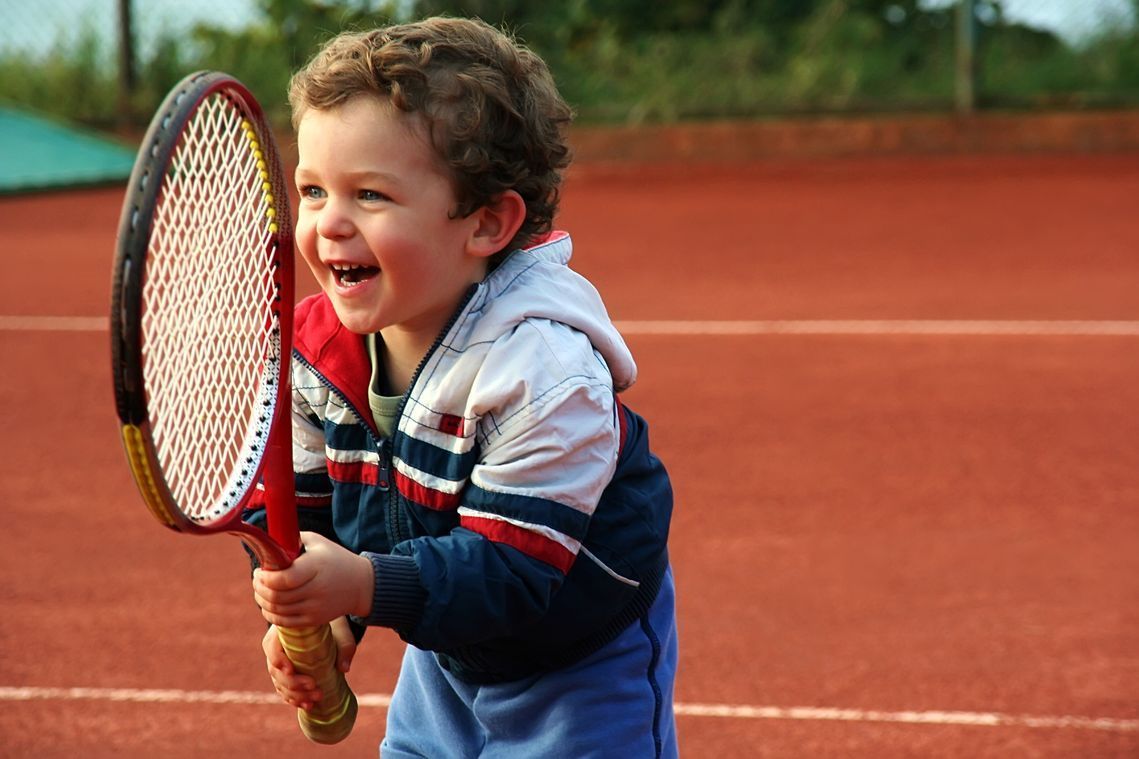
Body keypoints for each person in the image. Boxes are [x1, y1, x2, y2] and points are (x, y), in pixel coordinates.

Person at [246, 16, 677, 758]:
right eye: (313, 190)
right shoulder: (317, 354)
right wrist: (326, 613)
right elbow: (305, 512)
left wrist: (358, 585)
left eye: (370, 195)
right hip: (445, 649)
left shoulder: (543, 375)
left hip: (578, 659)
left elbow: (510, 571)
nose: (329, 224)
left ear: (485, 224)